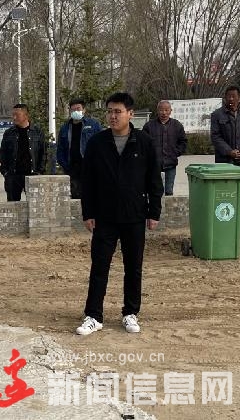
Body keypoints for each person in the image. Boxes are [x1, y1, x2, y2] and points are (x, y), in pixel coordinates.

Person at [76, 92, 163, 337]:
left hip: (134, 215)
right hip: (104, 216)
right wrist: (88, 212)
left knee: (133, 267)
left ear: (130, 114)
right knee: (99, 267)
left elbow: (154, 180)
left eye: (118, 111)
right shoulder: (97, 143)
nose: (113, 116)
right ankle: (94, 316)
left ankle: (130, 312)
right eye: (110, 111)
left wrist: (154, 212)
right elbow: (87, 181)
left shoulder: (144, 142)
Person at [56, 98, 102, 199]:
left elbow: (101, 146)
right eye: (73, 110)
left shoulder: (93, 125)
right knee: (75, 196)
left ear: (84, 110)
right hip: (72, 168)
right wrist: (66, 166)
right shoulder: (65, 128)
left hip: (89, 168)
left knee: (91, 196)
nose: (76, 111)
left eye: (78, 109)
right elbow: (60, 149)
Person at [0, 104, 46, 201]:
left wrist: (40, 172)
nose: (14, 117)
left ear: (26, 115)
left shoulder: (37, 132)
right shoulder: (9, 133)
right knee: (13, 205)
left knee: (35, 204)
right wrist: (5, 172)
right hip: (13, 176)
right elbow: (3, 154)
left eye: (17, 115)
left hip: (32, 175)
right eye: (13, 115)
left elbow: (43, 153)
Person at [142, 100, 188, 196]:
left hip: (170, 165)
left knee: (168, 191)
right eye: (161, 110)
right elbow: (143, 144)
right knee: (154, 191)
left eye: (166, 110)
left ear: (171, 111)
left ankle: (167, 205)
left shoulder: (177, 125)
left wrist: (175, 152)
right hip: (154, 165)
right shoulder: (149, 126)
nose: (164, 113)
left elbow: (183, 142)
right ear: (157, 111)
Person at [210, 85, 240, 168]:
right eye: (228, 96)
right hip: (224, 160)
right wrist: (229, 151)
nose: (231, 99)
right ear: (225, 98)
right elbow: (215, 136)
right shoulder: (216, 115)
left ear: (239, 99)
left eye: (233, 96)